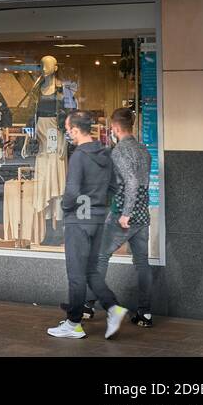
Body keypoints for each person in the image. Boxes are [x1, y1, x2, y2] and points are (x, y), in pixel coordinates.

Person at [48, 109, 122, 340]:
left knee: (76, 274)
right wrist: (100, 204)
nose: (68, 133)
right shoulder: (106, 153)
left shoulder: (79, 155)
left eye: (69, 130)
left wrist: (67, 208)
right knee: (90, 271)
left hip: (78, 221)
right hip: (98, 219)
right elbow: (114, 186)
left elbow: (71, 192)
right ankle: (113, 308)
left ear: (77, 130)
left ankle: (74, 323)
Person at [83, 108, 154, 327]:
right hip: (143, 212)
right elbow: (141, 182)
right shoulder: (143, 149)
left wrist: (125, 214)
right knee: (142, 262)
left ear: (115, 128)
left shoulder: (119, 152)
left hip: (124, 213)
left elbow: (131, 182)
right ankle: (145, 313)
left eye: (111, 128)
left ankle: (86, 306)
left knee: (100, 258)